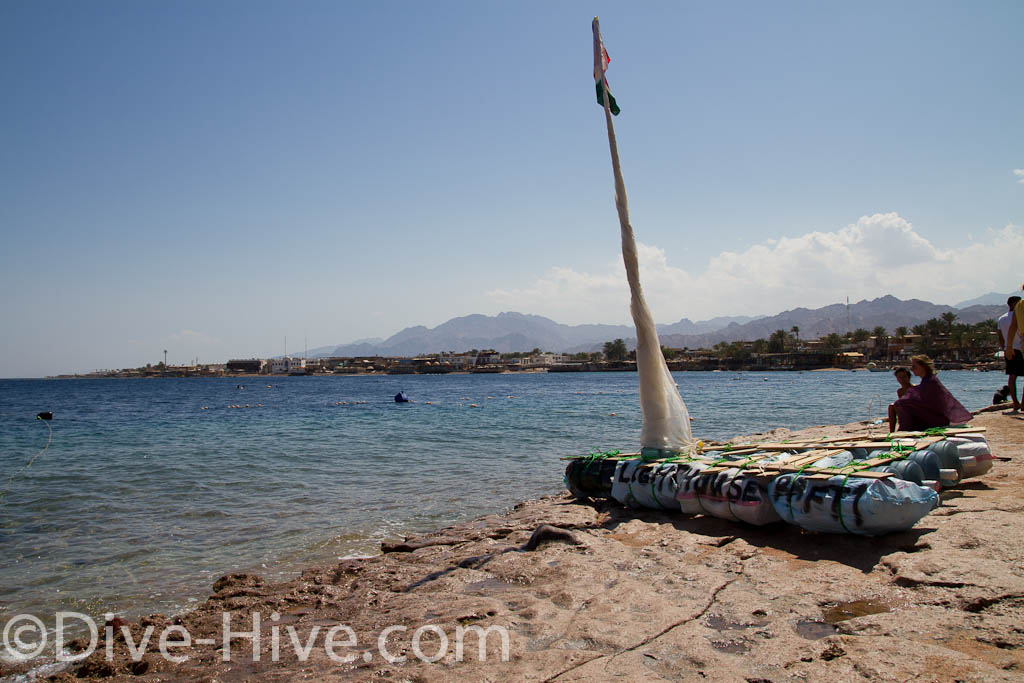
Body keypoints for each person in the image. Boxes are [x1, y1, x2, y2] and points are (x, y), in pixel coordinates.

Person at [891, 355, 972, 432]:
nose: (912, 369)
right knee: (900, 403)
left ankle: (905, 430)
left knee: (901, 403)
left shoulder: (930, 381)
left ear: (923, 367)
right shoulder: (927, 380)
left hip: (937, 419)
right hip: (935, 416)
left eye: (914, 367)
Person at [997, 295, 1023, 413]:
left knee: (1012, 377)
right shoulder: (1019, 316)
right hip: (1020, 348)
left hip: (1009, 349)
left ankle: (1015, 403)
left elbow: (1000, 337)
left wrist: (1005, 348)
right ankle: (1023, 403)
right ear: (1014, 304)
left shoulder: (1001, 319)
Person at [887, 367, 914, 432]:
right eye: (899, 377)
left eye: (904, 377)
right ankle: (891, 431)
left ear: (908, 377)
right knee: (891, 406)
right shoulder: (900, 391)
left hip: (914, 410)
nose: (902, 379)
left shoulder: (914, 388)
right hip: (904, 411)